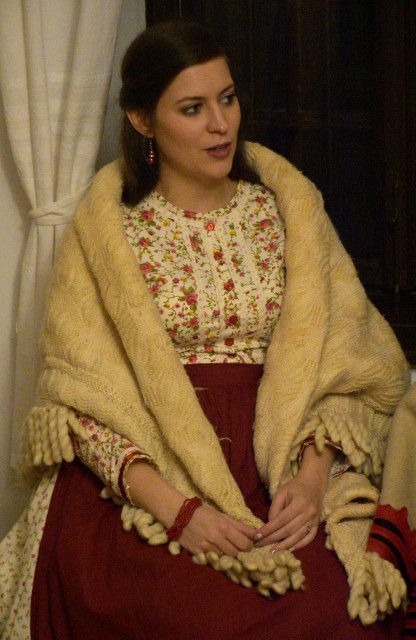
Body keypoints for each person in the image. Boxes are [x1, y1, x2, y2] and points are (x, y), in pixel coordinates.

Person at [0, 19, 413, 640]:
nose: (221, 124)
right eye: (193, 109)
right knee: (178, 613)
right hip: (149, 462)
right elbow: (80, 398)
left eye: (227, 98)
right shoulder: (111, 232)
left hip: (278, 449)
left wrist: (310, 480)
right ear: (143, 120)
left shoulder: (287, 212)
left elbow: (347, 359)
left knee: (335, 609)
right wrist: (179, 513)